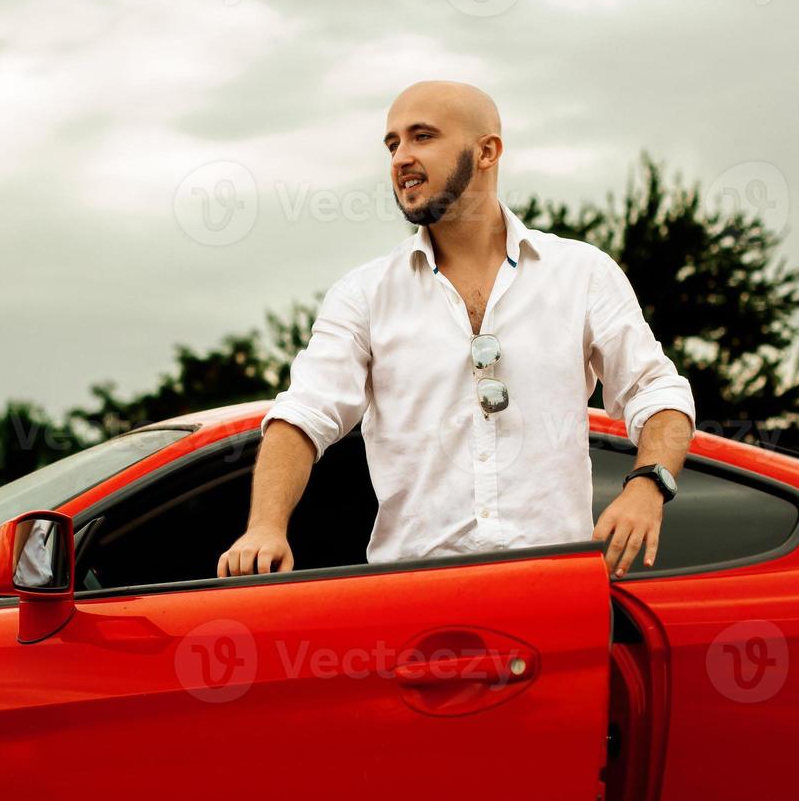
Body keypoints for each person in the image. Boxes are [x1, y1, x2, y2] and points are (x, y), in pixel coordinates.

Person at [217, 80, 696, 581]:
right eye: (392, 143)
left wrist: (648, 485)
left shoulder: (582, 273)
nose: (401, 156)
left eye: (422, 136)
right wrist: (265, 527)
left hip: (556, 591)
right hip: (414, 600)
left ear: (487, 151)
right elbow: (304, 415)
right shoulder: (363, 295)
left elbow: (656, 391)